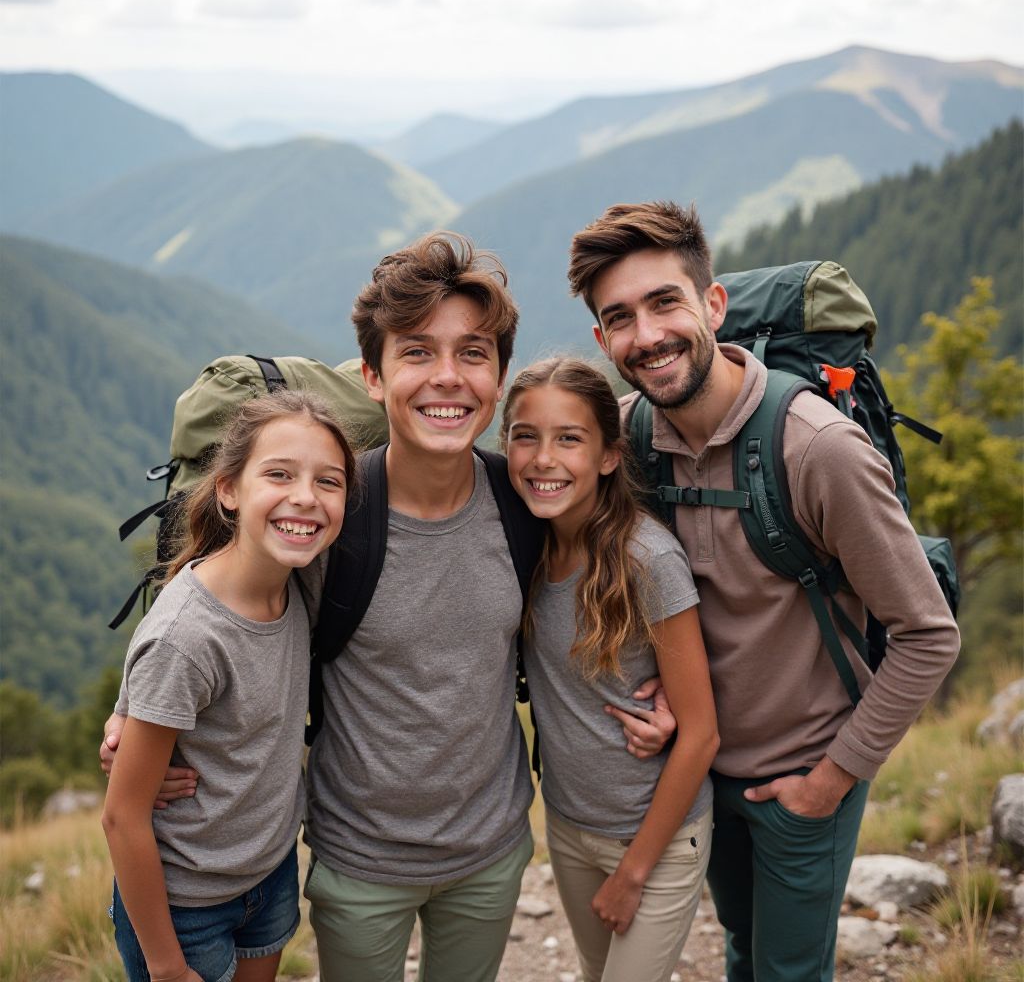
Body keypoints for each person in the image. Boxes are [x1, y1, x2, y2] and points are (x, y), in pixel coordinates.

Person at [102, 231, 675, 982]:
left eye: (473, 353)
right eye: (417, 352)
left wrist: (661, 690)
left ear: (499, 378)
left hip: (491, 850)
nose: (448, 377)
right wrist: (133, 714)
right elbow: (222, 598)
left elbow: (599, 584)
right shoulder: (328, 516)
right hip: (358, 860)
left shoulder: (526, 503)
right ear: (373, 376)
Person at [567, 201, 961, 982]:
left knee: (788, 972)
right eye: (620, 318)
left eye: (665, 302)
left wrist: (833, 779)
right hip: (698, 775)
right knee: (745, 950)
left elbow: (928, 634)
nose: (647, 335)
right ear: (603, 341)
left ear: (714, 306)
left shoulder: (817, 449)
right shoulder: (628, 440)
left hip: (803, 773)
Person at [102, 391, 355, 982]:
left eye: (329, 481)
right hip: (184, 906)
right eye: (279, 474)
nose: (305, 497)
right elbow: (122, 818)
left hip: (269, 874)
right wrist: (167, 967)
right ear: (228, 490)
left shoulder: (296, 579)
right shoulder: (189, 637)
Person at [500, 357, 718, 982]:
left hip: (656, 838)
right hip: (569, 827)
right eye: (525, 436)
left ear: (608, 457)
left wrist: (634, 873)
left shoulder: (646, 559)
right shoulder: (528, 544)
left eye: (569, 438)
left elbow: (701, 734)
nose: (543, 459)